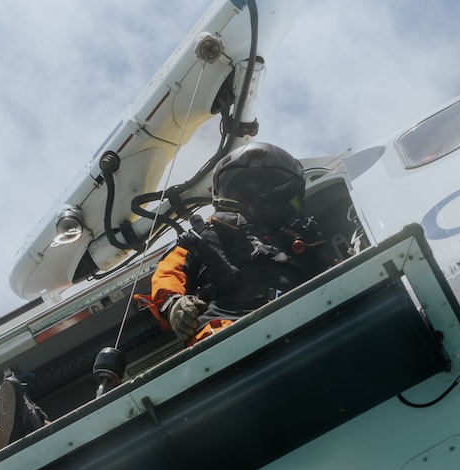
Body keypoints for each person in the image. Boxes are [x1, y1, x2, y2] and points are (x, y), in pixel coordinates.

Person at [138, 142, 333, 345]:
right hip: (226, 335)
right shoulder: (203, 237)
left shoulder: (302, 242)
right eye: (247, 191)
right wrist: (173, 303)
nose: (258, 200)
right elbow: (168, 274)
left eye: (267, 191)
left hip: (308, 323)